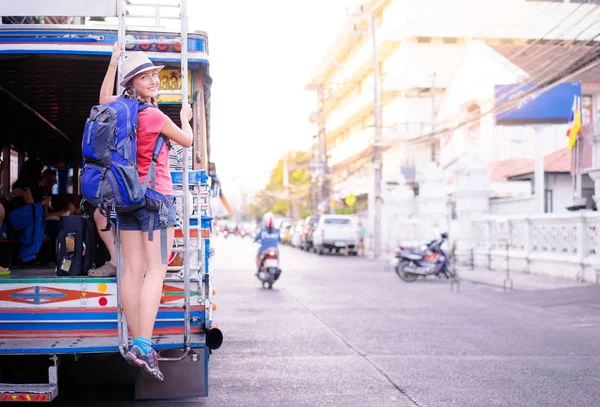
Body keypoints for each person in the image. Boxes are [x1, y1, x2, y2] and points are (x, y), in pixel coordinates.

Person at [99, 43, 193, 381]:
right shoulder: (155, 115)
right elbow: (187, 141)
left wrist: (112, 63)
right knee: (156, 270)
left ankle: (141, 344)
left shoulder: (117, 109)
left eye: (153, 74)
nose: (153, 79)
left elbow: (101, 97)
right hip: (156, 198)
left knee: (130, 272)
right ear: (133, 84)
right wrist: (184, 119)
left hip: (125, 199)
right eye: (145, 76)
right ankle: (142, 342)